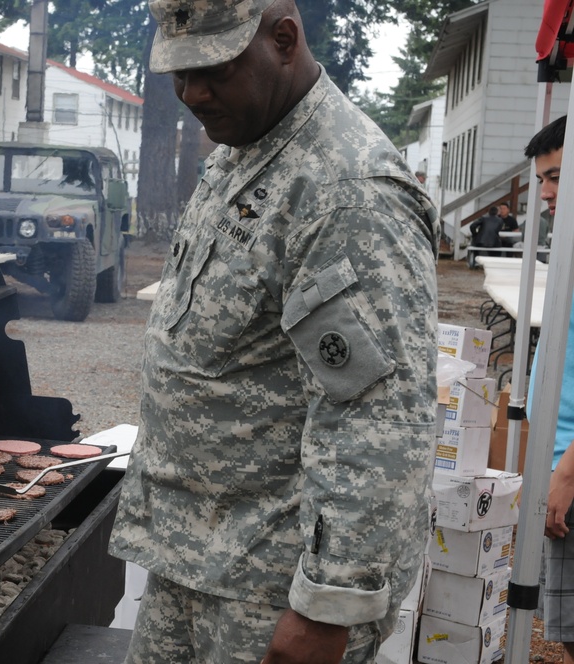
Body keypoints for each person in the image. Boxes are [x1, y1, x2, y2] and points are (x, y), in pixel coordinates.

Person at [106, 1, 439, 663]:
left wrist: (327, 604)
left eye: (214, 70)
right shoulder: (249, 142)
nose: (193, 93)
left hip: (270, 586)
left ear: (283, 39)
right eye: (179, 72)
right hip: (198, 554)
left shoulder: (345, 189)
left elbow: (376, 417)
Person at [525, 114, 573, 664]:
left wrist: (565, 473)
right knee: (563, 623)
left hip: (570, 468)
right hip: (558, 459)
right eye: (541, 180)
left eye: (557, 176)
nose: (546, 192)